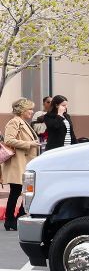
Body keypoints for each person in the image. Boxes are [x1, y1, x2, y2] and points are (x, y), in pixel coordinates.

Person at [3, 99, 40, 230]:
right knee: (16, 191)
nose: (32, 111)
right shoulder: (14, 122)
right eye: (29, 109)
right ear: (22, 110)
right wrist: (30, 144)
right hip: (17, 163)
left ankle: (17, 217)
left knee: (21, 191)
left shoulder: (22, 122)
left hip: (23, 162)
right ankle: (11, 219)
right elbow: (8, 140)